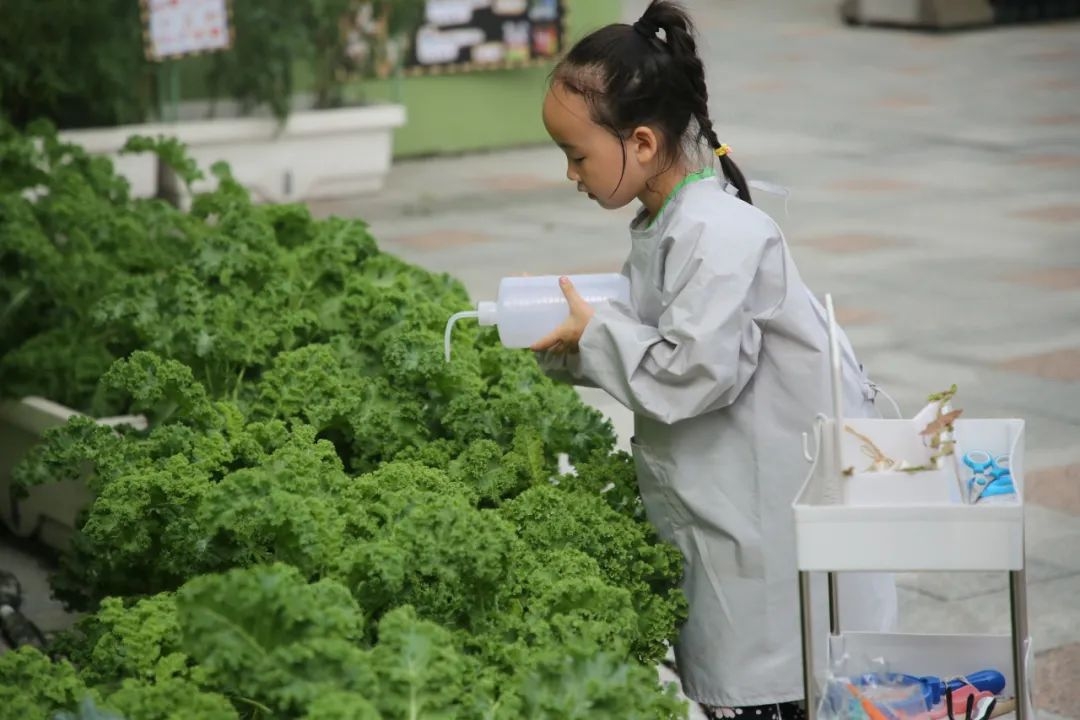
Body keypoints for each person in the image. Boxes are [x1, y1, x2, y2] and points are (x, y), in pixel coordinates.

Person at [530, 2, 898, 719]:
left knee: (780, 681)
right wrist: (577, 344)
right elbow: (654, 343)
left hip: (764, 515)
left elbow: (688, 372)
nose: (570, 173)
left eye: (577, 154)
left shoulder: (716, 231)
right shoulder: (673, 221)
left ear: (640, 142)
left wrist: (594, 333)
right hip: (734, 499)